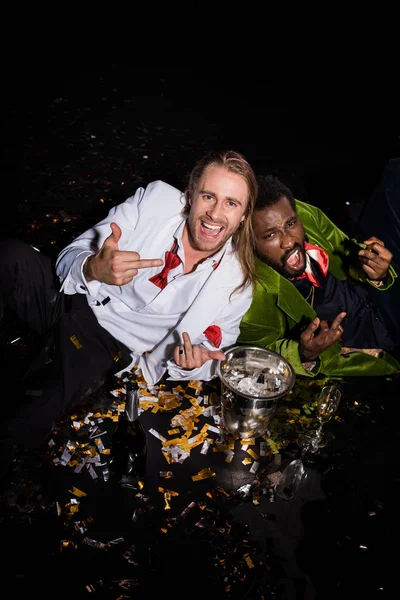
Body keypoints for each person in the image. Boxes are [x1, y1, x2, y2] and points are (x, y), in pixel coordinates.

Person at [0, 149, 258, 464]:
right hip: (71, 296)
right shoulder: (155, 201)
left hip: (107, 343)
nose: (215, 214)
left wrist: (190, 364)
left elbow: (212, 353)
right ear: (190, 195)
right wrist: (92, 267)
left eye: (231, 203)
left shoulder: (237, 282)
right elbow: (73, 252)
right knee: (9, 256)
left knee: (27, 414)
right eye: (208, 196)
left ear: (244, 215)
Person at [238, 164, 400, 379]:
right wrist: (303, 353)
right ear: (248, 242)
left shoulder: (304, 214)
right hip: (357, 353)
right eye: (270, 236)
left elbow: (346, 251)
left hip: (381, 308)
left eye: (291, 224)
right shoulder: (248, 296)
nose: (289, 241)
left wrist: (374, 269)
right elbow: (252, 355)